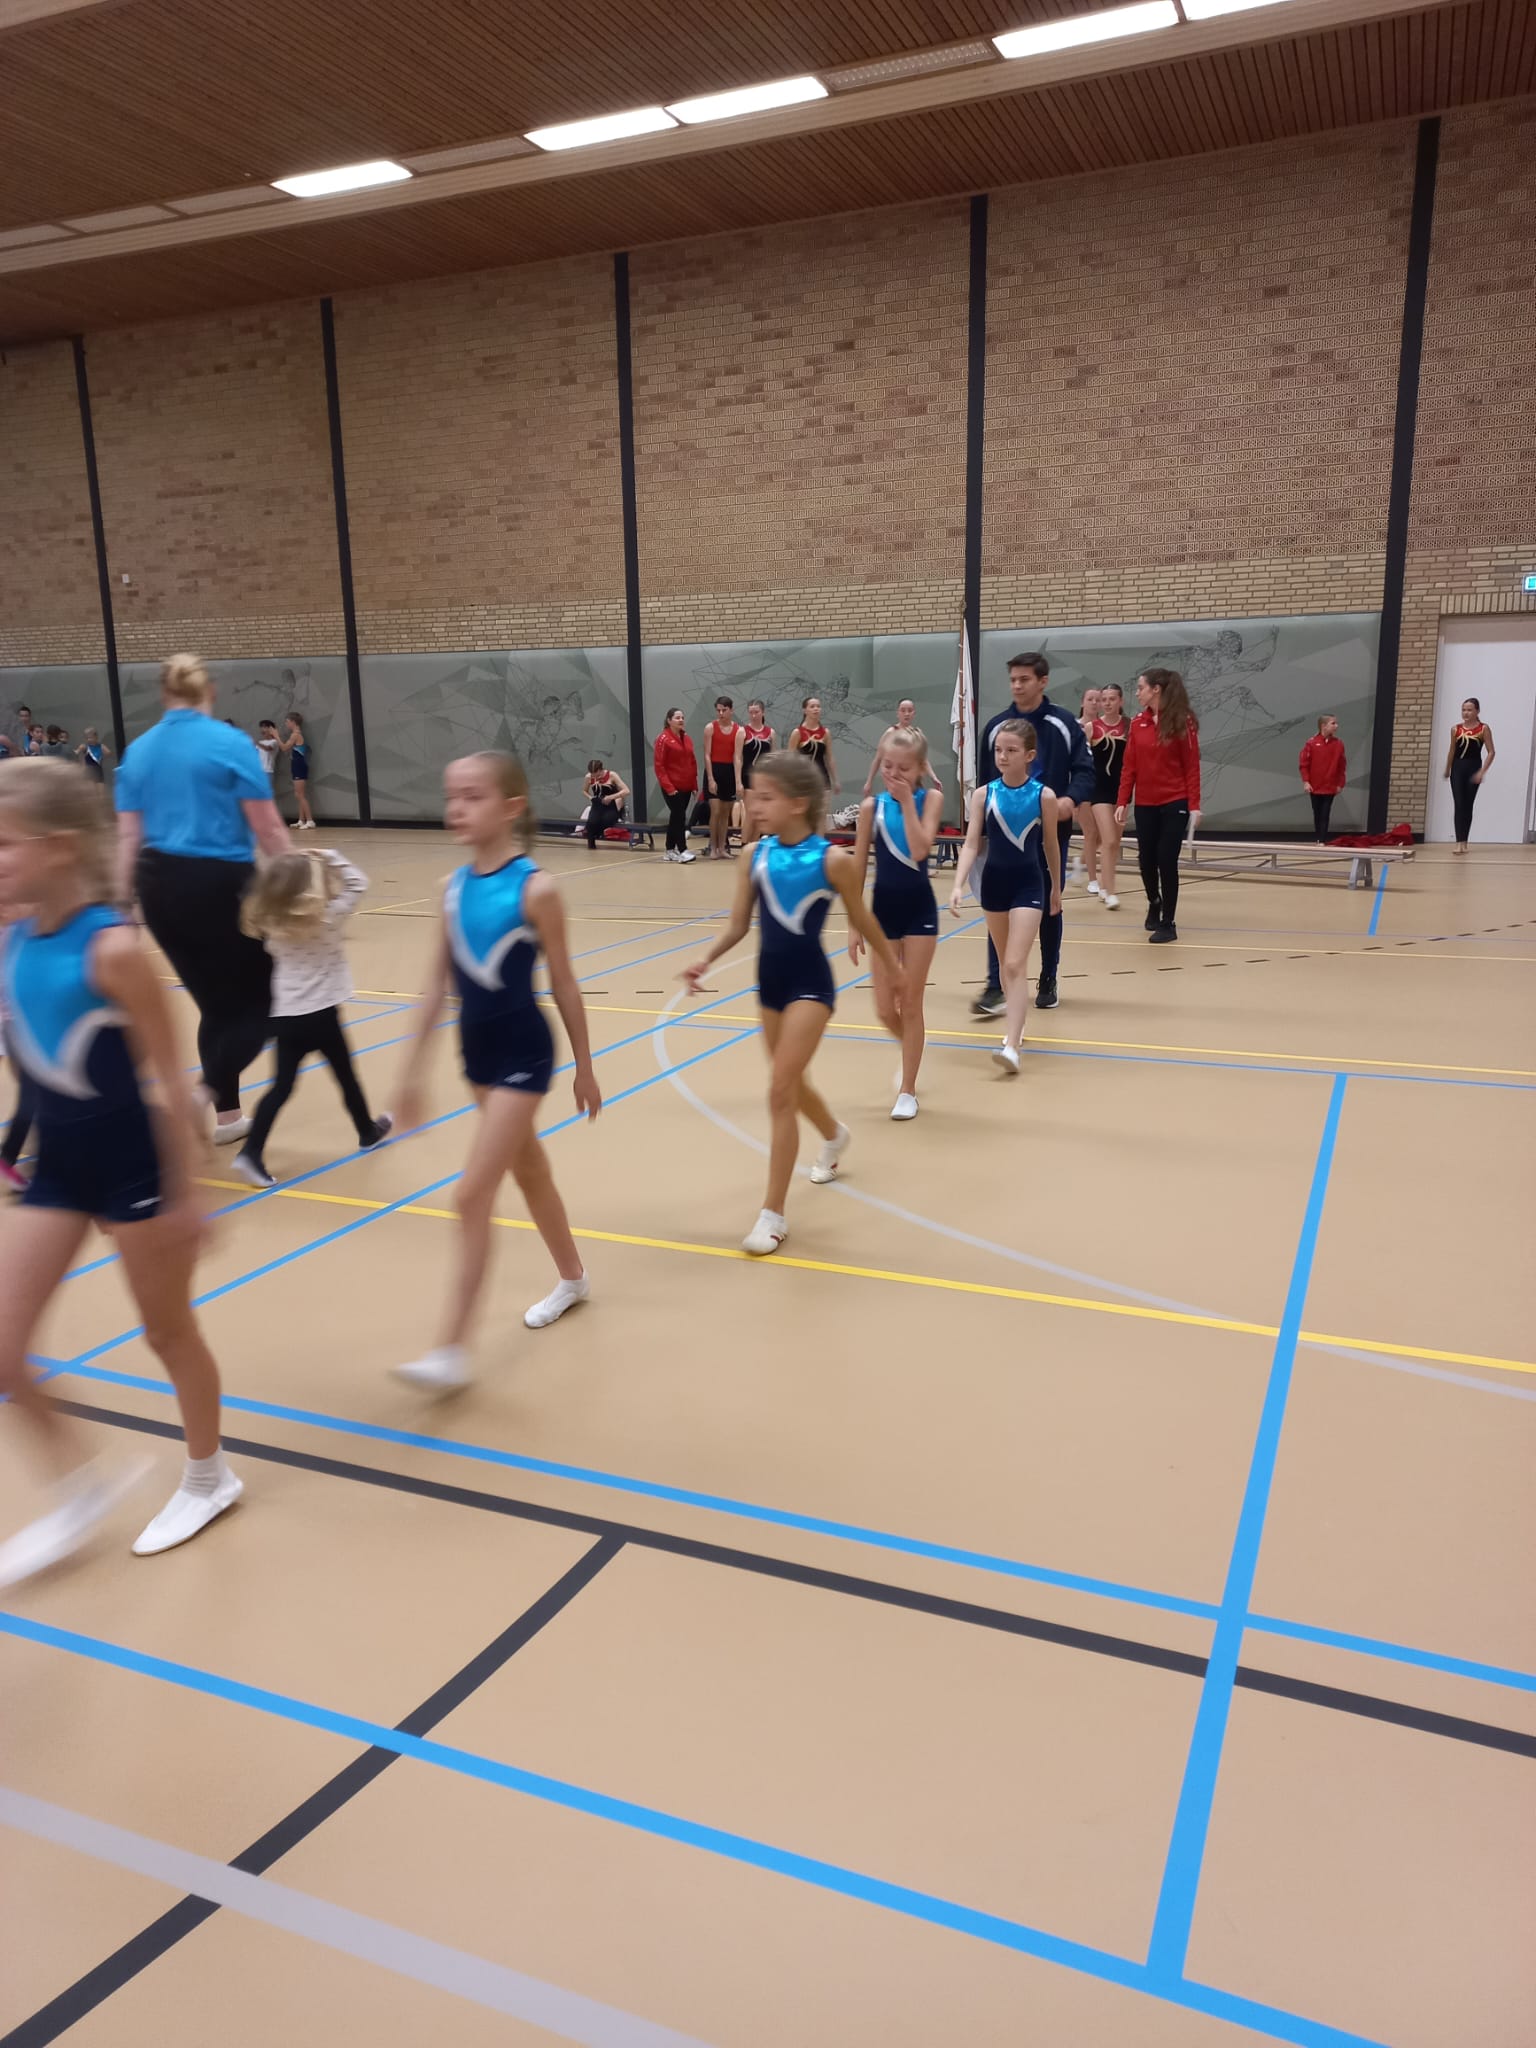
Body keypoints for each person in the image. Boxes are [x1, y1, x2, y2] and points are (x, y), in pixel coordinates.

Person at [0, 760, 243, 1586]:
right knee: (5, 1348)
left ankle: (210, 1477)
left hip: (136, 1169)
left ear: (59, 847)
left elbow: (172, 1079)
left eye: (5, 844)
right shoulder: (12, 937)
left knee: (166, 1332)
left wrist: (189, 1190)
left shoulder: (112, 948)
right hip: (60, 1170)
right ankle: (78, 1492)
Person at [392, 751, 601, 1394]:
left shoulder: (536, 888)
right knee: (529, 1170)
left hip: (523, 1053)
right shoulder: (451, 889)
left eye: (473, 796)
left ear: (512, 807)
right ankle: (574, 1278)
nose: (457, 808)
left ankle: (451, 1350)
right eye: (451, 796)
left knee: (471, 1194)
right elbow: (435, 987)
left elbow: (564, 983)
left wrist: (586, 1067)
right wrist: (410, 1075)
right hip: (476, 1054)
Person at [681, 753, 893, 1257]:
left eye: (765, 797)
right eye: (752, 796)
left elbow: (863, 919)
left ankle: (772, 1215)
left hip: (811, 987)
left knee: (778, 1089)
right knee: (792, 1084)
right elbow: (738, 925)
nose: (754, 805)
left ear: (797, 803)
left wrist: (896, 970)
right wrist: (705, 959)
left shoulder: (832, 862)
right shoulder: (753, 856)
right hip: (769, 985)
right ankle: (834, 1134)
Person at [115, 652, 289, 1144]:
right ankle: (199, 1097)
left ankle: (228, 1118)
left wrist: (121, 906)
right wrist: (301, 886)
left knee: (216, 1007)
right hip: (220, 883)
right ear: (209, 693)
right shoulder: (231, 744)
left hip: (157, 888)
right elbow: (268, 829)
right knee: (270, 1001)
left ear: (164, 694)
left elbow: (128, 838)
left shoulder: (139, 751)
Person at [232, 850, 393, 1189]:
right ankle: (366, 1131)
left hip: (286, 1018)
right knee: (346, 1076)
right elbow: (358, 883)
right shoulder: (328, 919)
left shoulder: (271, 924)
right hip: (322, 1017)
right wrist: (331, 857)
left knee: (281, 1087)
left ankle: (252, 1152)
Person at [971, 653, 1093, 1018]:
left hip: (1047, 833)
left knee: (1049, 903)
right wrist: (980, 831)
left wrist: (1070, 799)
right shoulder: (996, 727)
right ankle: (997, 984)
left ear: (1043, 681)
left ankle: (1048, 978)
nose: (1017, 685)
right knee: (999, 906)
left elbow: (1085, 770)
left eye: (1024, 679)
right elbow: (985, 782)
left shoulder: (1063, 724)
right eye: (1013, 679)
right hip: (1003, 838)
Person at [950, 721, 1062, 1075]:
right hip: (993, 887)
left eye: (1011, 750)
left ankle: (1012, 1046)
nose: (1003, 756)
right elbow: (971, 844)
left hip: (1029, 886)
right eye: (999, 750)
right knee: (1004, 967)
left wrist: (1056, 888)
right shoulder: (983, 795)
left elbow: (1051, 845)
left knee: (1014, 964)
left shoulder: (1044, 796)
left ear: (1029, 755)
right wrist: (958, 884)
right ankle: (1018, 1023)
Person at [848, 729, 942, 1120]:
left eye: (903, 768)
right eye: (887, 766)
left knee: (911, 1003)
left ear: (919, 768)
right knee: (886, 1009)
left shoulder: (930, 799)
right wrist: (854, 922)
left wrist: (906, 803)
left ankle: (908, 1089)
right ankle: (913, 1049)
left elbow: (920, 848)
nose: (893, 774)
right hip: (882, 914)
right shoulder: (871, 807)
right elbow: (857, 865)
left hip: (919, 912)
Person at [1116, 667, 1201, 944]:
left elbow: (1191, 765)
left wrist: (1194, 805)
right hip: (1146, 802)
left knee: (1166, 859)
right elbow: (1129, 766)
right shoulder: (1137, 723)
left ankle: (1168, 923)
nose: (1137, 693)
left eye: (1141, 687)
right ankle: (1154, 900)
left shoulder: (1182, 721)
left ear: (1156, 689)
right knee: (1146, 859)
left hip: (1175, 800)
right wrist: (1122, 801)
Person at [1088, 684, 1128, 909]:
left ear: (1120, 701)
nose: (1107, 703)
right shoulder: (1091, 728)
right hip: (1098, 790)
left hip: (1122, 790)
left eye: (1112, 699)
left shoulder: (1129, 726)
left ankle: (1104, 885)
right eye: (1104, 699)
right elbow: (1082, 762)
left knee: (1113, 843)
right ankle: (1111, 892)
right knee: (1109, 840)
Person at [1443, 698, 1495, 853]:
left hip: (1473, 767)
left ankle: (1464, 840)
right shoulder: (1455, 729)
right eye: (1463, 710)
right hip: (1458, 768)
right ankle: (1458, 842)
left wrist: (1482, 771)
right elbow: (1452, 750)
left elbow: (1491, 752)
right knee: (1459, 804)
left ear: (1477, 711)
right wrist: (1447, 769)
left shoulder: (1483, 728)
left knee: (1467, 804)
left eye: (1469, 710)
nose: (1466, 713)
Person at [654, 707, 699, 864]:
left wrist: (694, 784)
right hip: (672, 786)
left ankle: (669, 850)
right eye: (677, 718)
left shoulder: (686, 738)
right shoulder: (663, 739)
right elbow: (659, 766)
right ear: (669, 720)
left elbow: (692, 762)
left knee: (676, 817)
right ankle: (682, 850)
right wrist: (669, 787)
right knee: (680, 817)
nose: (681, 720)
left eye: (682, 717)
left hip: (686, 785)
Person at [703, 696, 744, 860]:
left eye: (724, 710)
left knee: (725, 813)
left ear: (731, 710)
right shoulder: (710, 728)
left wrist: (738, 781)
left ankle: (722, 847)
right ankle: (713, 847)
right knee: (716, 811)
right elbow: (707, 754)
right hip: (714, 769)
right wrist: (711, 778)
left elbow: (737, 757)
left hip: (729, 771)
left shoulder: (738, 730)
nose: (721, 713)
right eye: (718, 710)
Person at [861, 699, 928, 797]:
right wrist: (869, 782)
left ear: (914, 713)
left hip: (913, 785)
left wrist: (934, 777)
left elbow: (923, 760)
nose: (906, 714)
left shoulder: (917, 734)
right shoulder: (890, 732)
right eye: (903, 710)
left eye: (910, 710)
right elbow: (878, 759)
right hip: (895, 783)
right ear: (898, 713)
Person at [1297, 715, 1347, 842]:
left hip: (1330, 786)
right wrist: (1306, 781)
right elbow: (1304, 764)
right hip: (1315, 786)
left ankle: (1322, 839)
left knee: (1325, 813)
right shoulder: (1311, 743)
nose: (1336, 726)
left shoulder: (1338, 744)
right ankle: (1318, 838)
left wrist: (1340, 783)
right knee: (1317, 813)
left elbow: (1342, 766)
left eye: (1336, 723)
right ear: (1323, 726)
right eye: (1333, 723)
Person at [1076, 688, 1103, 889]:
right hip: (1082, 785)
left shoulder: (1103, 727)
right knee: (1090, 832)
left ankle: (1081, 861)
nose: (1094, 702)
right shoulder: (1075, 728)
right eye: (1090, 699)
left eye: (1097, 700)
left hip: (1102, 785)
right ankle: (1093, 880)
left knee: (1102, 836)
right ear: (1082, 702)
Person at [740, 699, 776, 845]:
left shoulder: (770, 732)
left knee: (759, 815)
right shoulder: (743, 732)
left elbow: (773, 758)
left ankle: (754, 847)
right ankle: (744, 846)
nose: (753, 715)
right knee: (751, 814)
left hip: (764, 778)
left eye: (756, 712)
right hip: (748, 777)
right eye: (751, 712)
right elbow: (737, 758)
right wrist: (738, 781)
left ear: (763, 712)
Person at [789, 696, 839, 792]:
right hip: (803, 779)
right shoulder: (797, 732)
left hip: (822, 779)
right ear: (805, 710)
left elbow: (830, 758)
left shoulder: (825, 732)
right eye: (812, 706)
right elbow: (790, 759)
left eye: (818, 706)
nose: (816, 709)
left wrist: (835, 780)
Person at [580, 758, 629, 851]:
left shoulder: (612, 775)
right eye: (592, 774)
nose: (594, 776)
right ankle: (591, 846)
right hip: (597, 804)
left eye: (596, 773)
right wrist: (591, 798)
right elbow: (584, 790)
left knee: (607, 820)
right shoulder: (588, 777)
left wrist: (611, 797)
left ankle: (598, 834)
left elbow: (626, 791)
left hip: (610, 805)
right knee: (591, 823)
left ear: (600, 770)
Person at [281, 712, 314, 829]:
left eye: (287, 721)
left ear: (293, 722)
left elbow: (284, 748)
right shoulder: (295, 734)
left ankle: (310, 820)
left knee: (300, 795)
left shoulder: (295, 735)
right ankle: (301, 820)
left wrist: (275, 735)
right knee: (298, 794)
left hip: (299, 766)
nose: (286, 724)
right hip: (296, 765)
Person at [256, 718, 281, 785]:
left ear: (271, 730)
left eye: (265, 727)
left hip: (268, 771)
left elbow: (268, 748)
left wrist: (256, 743)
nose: (262, 729)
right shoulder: (260, 742)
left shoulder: (274, 742)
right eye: (261, 727)